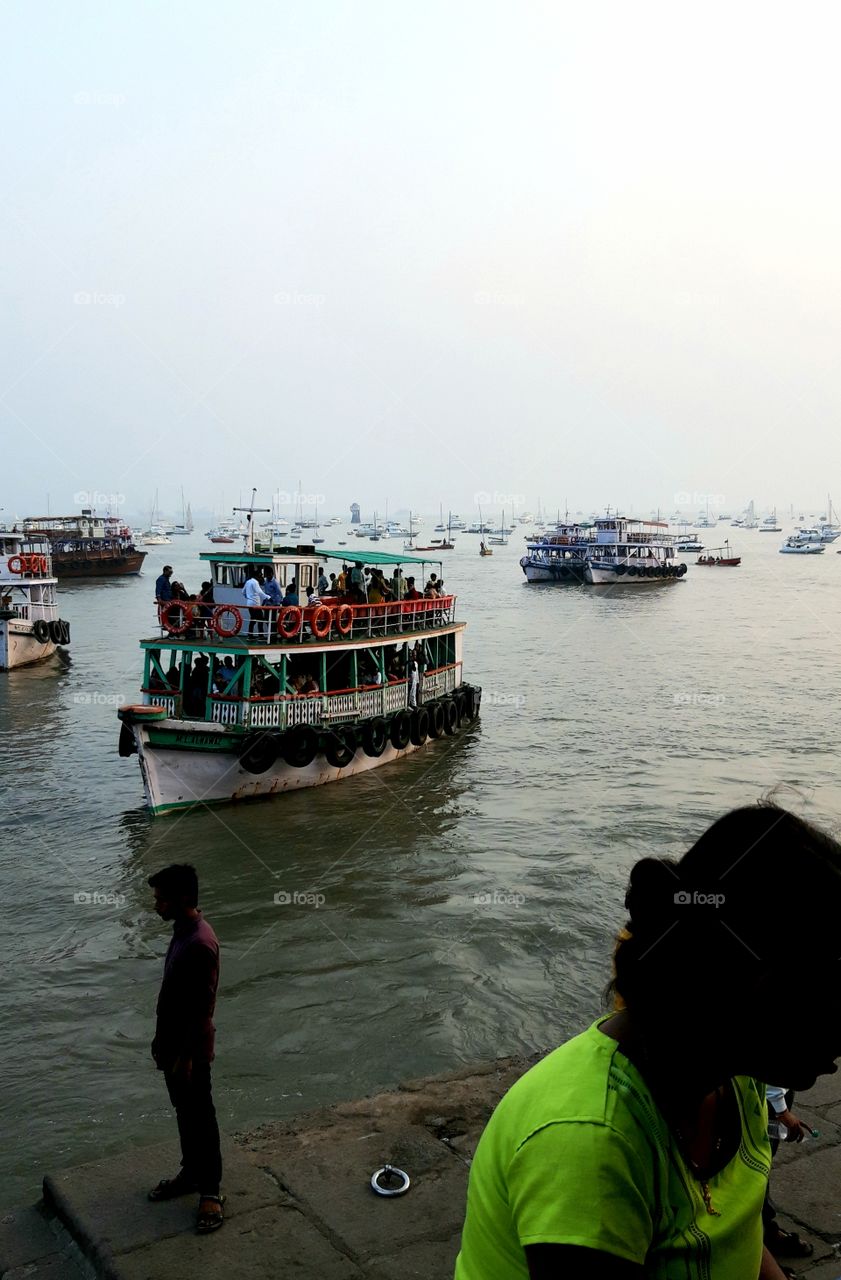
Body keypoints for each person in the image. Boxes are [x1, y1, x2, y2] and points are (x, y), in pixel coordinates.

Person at [456, 804, 841, 1280]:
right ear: (739, 978)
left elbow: (738, 1233)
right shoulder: (590, 1146)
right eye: (832, 984)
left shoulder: (731, 1078)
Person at [147, 864, 223, 1235]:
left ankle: (211, 1191)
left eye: (161, 899)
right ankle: (191, 1173)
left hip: (189, 1052)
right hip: (173, 1046)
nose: (156, 906)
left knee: (201, 1118)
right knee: (185, 1113)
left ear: (182, 899)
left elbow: (202, 1011)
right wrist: (161, 1043)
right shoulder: (182, 932)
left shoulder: (200, 943)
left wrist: (184, 1058)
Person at [242, 566, 268, 639]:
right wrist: (268, 597)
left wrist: (248, 597)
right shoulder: (255, 582)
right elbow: (260, 592)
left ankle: (250, 635)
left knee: (253, 619)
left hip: (249, 604)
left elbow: (243, 592)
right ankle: (261, 635)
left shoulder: (248, 582)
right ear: (257, 576)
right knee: (260, 619)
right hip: (256, 604)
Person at [262, 568, 282, 641]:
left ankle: (273, 635)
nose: (267, 576)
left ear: (271, 574)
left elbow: (279, 593)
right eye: (266, 574)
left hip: (274, 604)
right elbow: (265, 593)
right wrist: (263, 603)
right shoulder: (266, 582)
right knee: (266, 618)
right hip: (267, 603)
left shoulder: (275, 582)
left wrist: (278, 602)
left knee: (273, 619)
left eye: (268, 574)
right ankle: (271, 633)